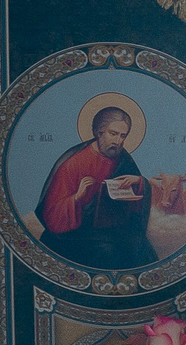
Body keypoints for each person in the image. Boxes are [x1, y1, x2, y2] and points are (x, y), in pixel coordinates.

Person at [37, 105, 155, 270]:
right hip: (79, 233)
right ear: (99, 133)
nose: (118, 141)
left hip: (114, 227)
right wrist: (76, 197)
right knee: (108, 253)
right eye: (113, 134)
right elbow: (51, 215)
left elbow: (137, 204)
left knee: (143, 249)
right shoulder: (74, 163)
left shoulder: (122, 158)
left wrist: (139, 182)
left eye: (123, 136)